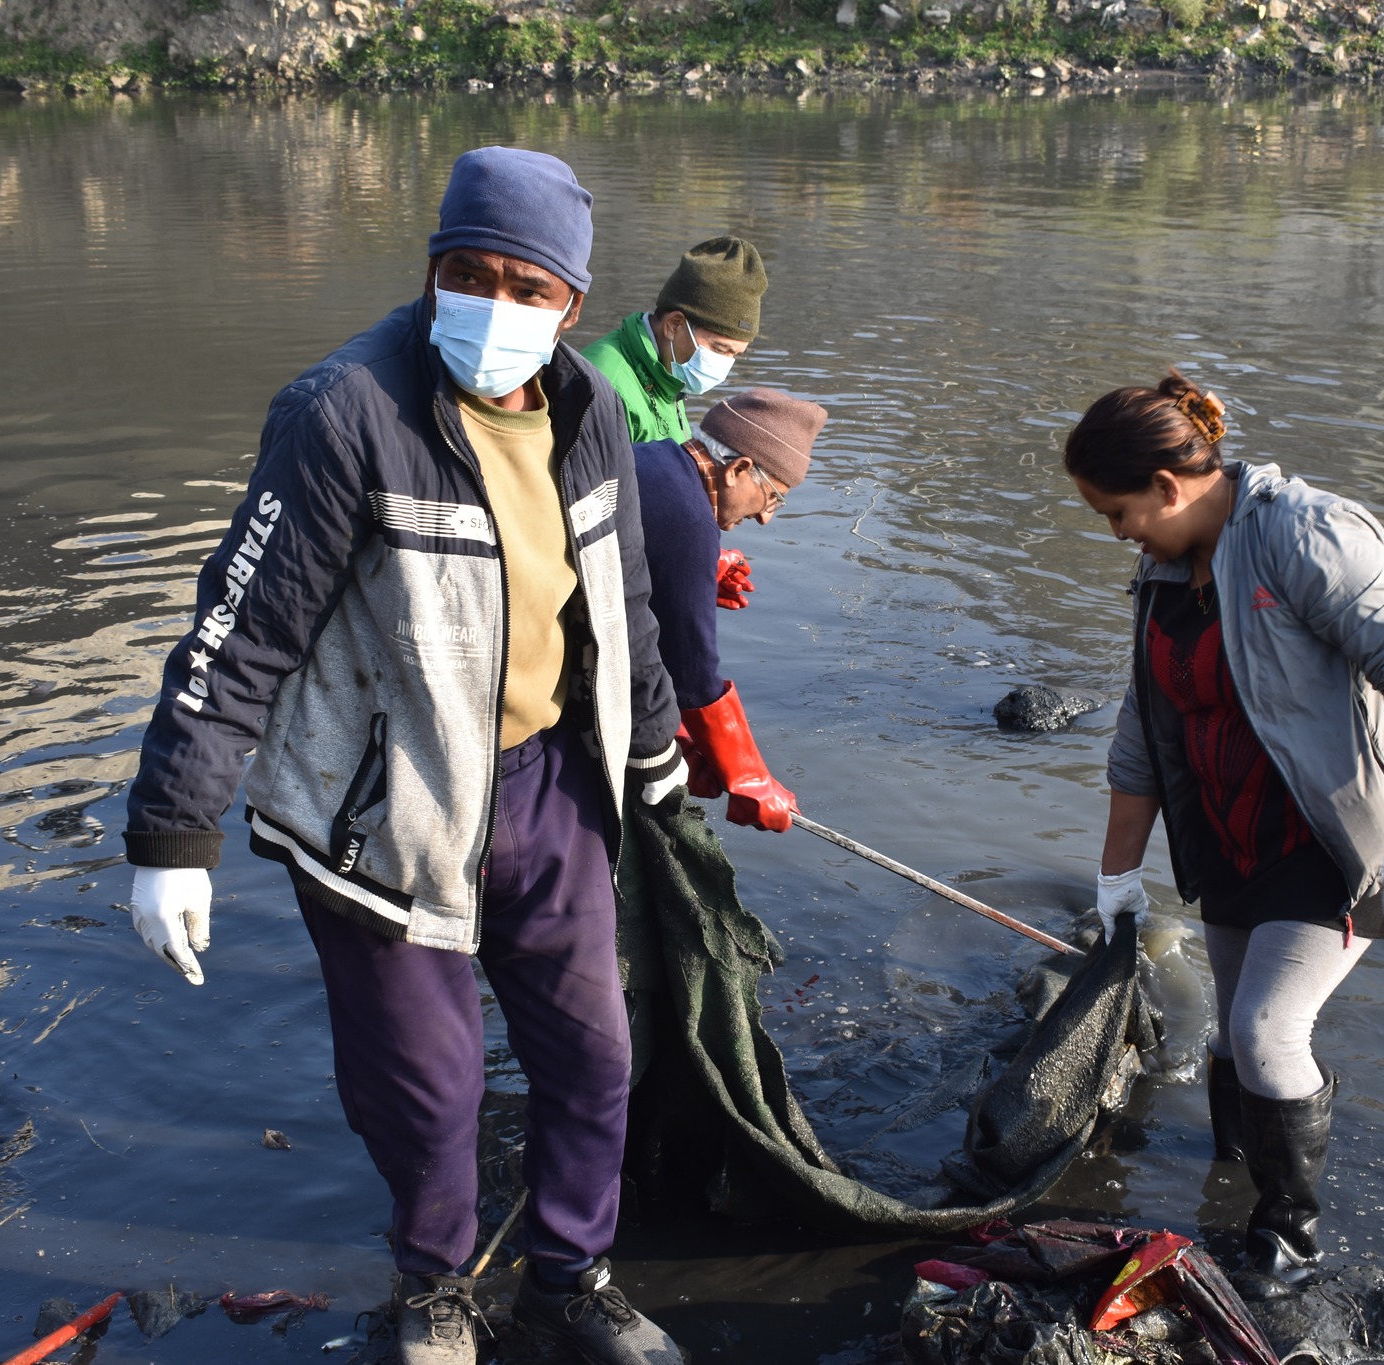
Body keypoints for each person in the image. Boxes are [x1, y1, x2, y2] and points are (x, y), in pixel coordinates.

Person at [120, 147, 689, 1365]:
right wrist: (175, 836)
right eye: (465, 275)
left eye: (525, 287)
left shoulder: (588, 414)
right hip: (391, 806)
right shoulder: (345, 415)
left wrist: (653, 751)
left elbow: (622, 602)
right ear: (430, 273)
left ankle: (569, 1277)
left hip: (552, 788)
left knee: (594, 1060)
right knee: (428, 1094)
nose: (494, 305)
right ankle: (432, 1287)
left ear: (570, 305)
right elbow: (238, 632)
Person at [1065, 372, 1384, 1296]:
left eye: (1117, 511)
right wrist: (1116, 879)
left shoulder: (1303, 533)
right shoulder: (1164, 568)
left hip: (1340, 838)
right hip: (1232, 835)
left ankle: (1289, 1240)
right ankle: (1226, 1185)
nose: (1115, 532)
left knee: (1270, 1028)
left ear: (1168, 486)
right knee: (1230, 1043)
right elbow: (1142, 730)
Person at [631, 389, 824, 835]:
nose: (766, 518)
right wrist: (750, 779)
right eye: (773, 496)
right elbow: (694, 674)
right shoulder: (690, 521)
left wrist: (696, 570)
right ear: (738, 469)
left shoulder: (656, 457)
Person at [583, 236, 766, 446]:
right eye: (718, 348)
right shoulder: (604, 385)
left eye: (734, 354)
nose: (723, 365)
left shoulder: (666, 375)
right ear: (674, 325)